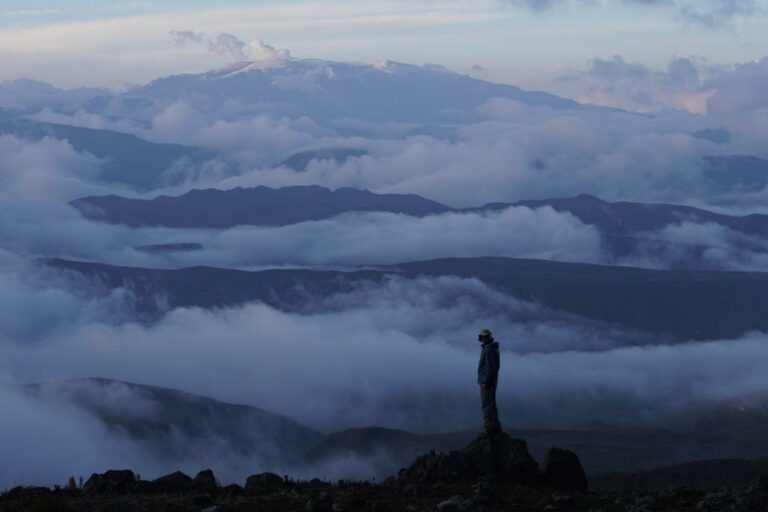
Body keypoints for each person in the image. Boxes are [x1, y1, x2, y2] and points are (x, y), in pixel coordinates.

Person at [477, 328, 501, 435]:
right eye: (482, 337)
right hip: (490, 380)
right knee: (491, 403)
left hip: (487, 381)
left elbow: (490, 368)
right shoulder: (491, 349)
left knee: (486, 404)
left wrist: (485, 381)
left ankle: (488, 427)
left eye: (484, 337)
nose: (483, 339)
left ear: (488, 337)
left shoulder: (489, 350)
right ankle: (495, 425)